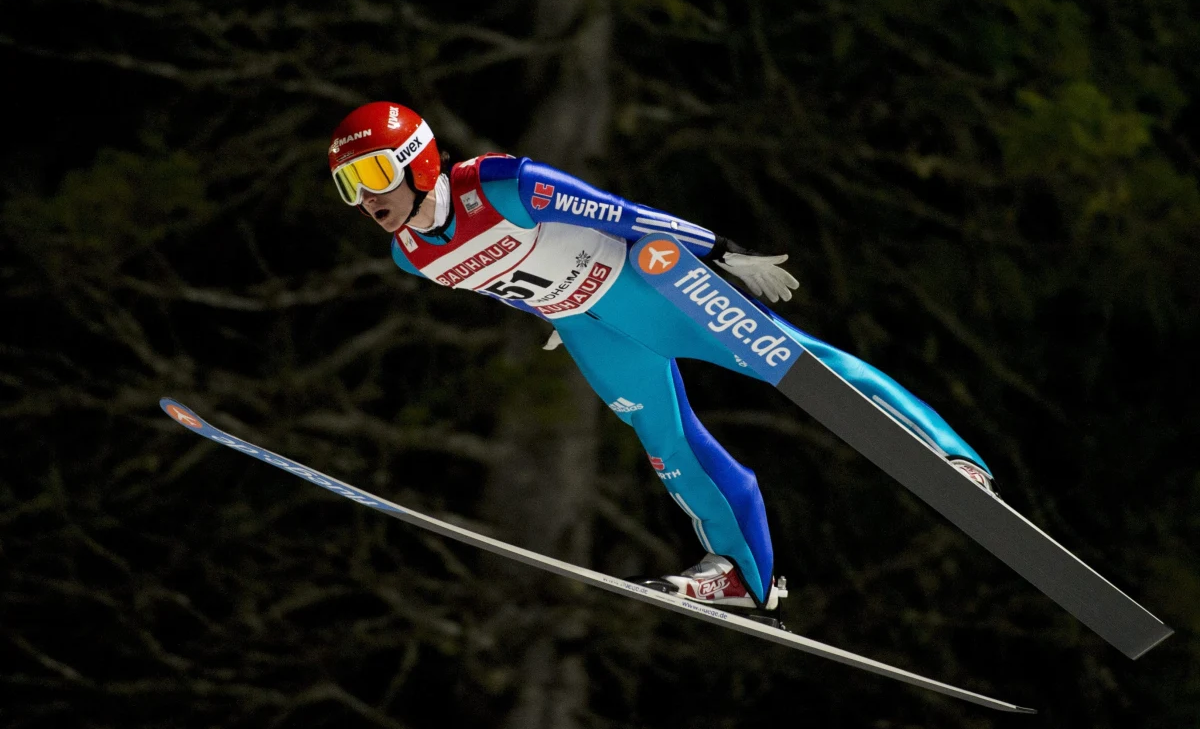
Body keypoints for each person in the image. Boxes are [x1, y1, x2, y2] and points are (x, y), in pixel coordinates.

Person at [328, 101, 998, 620]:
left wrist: (718, 249)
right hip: (592, 329)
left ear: (417, 161)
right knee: (667, 445)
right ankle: (745, 575)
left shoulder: (502, 183)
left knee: (796, 363)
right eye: (347, 185)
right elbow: (501, 281)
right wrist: (551, 316)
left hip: (645, 290)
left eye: (374, 174)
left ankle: (949, 455)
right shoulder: (411, 256)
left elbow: (620, 212)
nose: (365, 198)